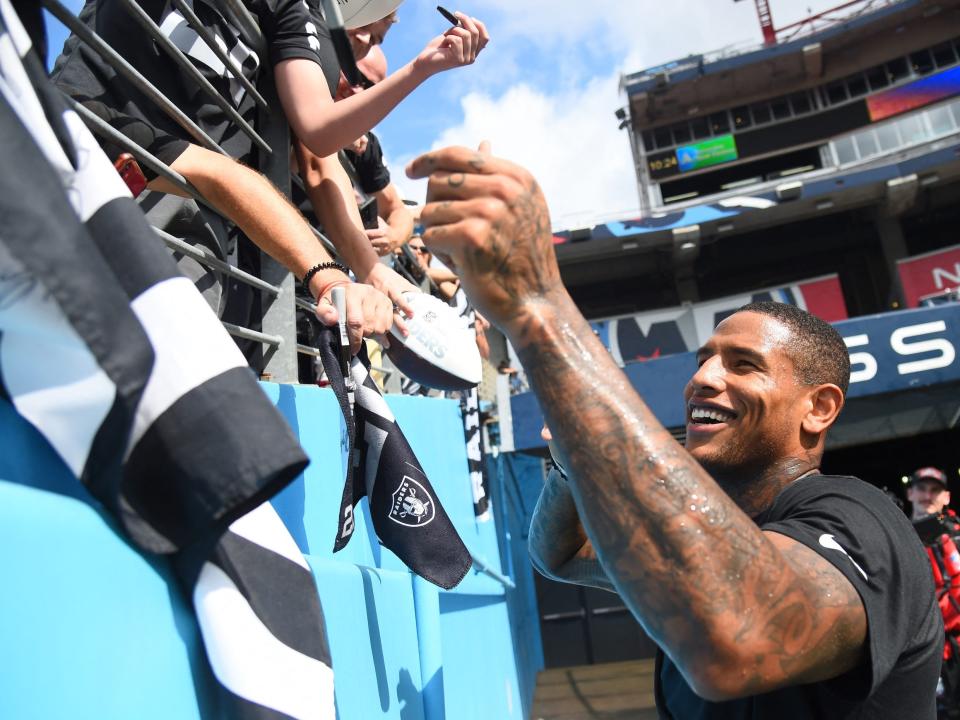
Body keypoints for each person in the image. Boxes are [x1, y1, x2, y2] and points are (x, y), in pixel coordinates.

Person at [408, 145, 942, 717]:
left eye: (743, 365)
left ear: (818, 408)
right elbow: (559, 556)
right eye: (703, 360)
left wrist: (539, 305)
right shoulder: (701, 538)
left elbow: (740, 638)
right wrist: (574, 458)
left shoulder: (864, 518)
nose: (704, 379)